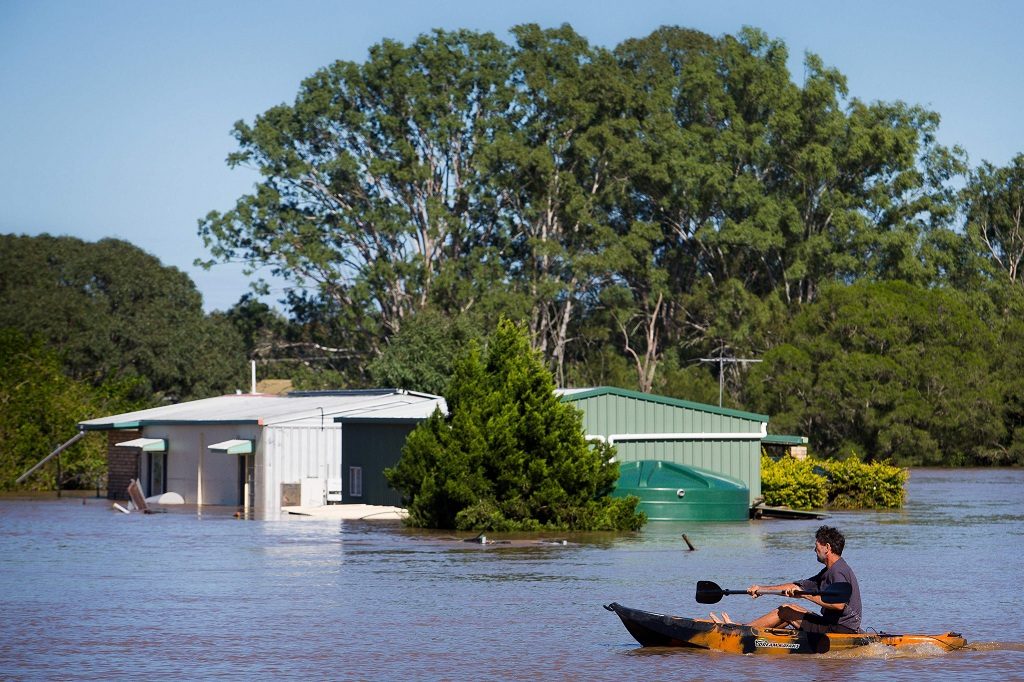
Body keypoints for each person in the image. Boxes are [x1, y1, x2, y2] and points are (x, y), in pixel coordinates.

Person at [714, 525, 862, 633]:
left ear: (827, 548)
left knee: (785, 611)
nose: (814, 550)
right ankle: (751, 632)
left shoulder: (837, 571)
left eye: (816, 546)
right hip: (835, 624)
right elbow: (796, 585)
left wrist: (805, 595)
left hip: (840, 629)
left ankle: (740, 631)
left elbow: (838, 605)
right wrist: (762, 589)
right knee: (790, 608)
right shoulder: (829, 571)